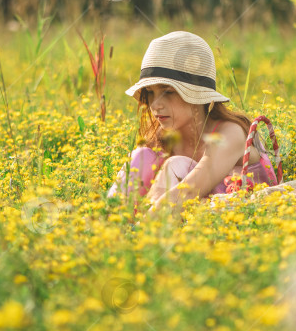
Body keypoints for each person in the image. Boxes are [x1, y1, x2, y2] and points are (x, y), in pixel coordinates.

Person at [107, 31, 280, 219]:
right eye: (150, 93)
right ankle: (108, 222)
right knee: (142, 155)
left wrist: (141, 235)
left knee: (176, 164)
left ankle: (143, 233)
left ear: (197, 96)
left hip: (235, 222)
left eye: (168, 92)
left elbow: (189, 192)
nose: (155, 104)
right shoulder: (167, 136)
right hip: (182, 221)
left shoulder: (229, 133)